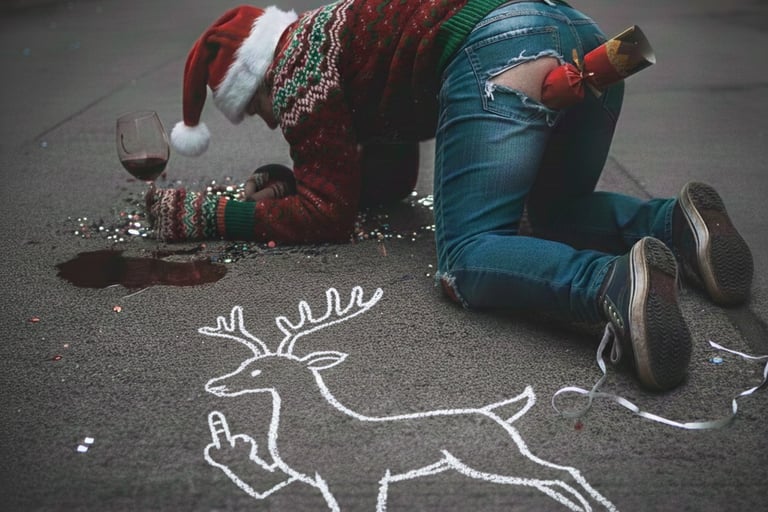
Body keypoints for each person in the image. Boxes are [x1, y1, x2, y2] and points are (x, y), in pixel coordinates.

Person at [149, 0, 753, 391]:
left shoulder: (295, 69)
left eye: (256, 109)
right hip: (581, 35)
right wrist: (292, 175)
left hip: (500, 49)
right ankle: (677, 224)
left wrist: (208, 213)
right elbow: (384, 182)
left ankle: (612, 285)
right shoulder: (334, 37)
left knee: (466, 254)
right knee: (553, 213)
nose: (272, 122)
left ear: (254, 79)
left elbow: (325, 216)